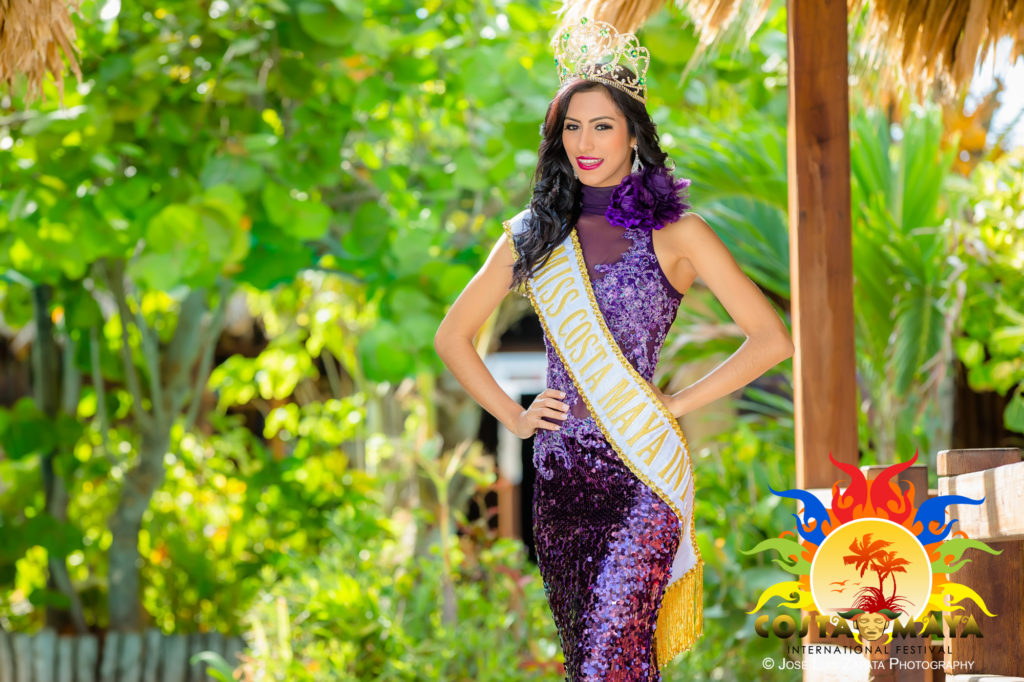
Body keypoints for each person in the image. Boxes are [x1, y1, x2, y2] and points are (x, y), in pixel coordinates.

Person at [434, 18, 794, 681]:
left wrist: (679, 400)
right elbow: (451, 338)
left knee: (610, 658)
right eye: (571, 126)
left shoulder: (680, 233)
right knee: (596, 662)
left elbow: (771, 339)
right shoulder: (532, 237)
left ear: (634, 132)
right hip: (561, 480)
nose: (585, 141)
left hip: (641, 473)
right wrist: (514, 417)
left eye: (602, 124)